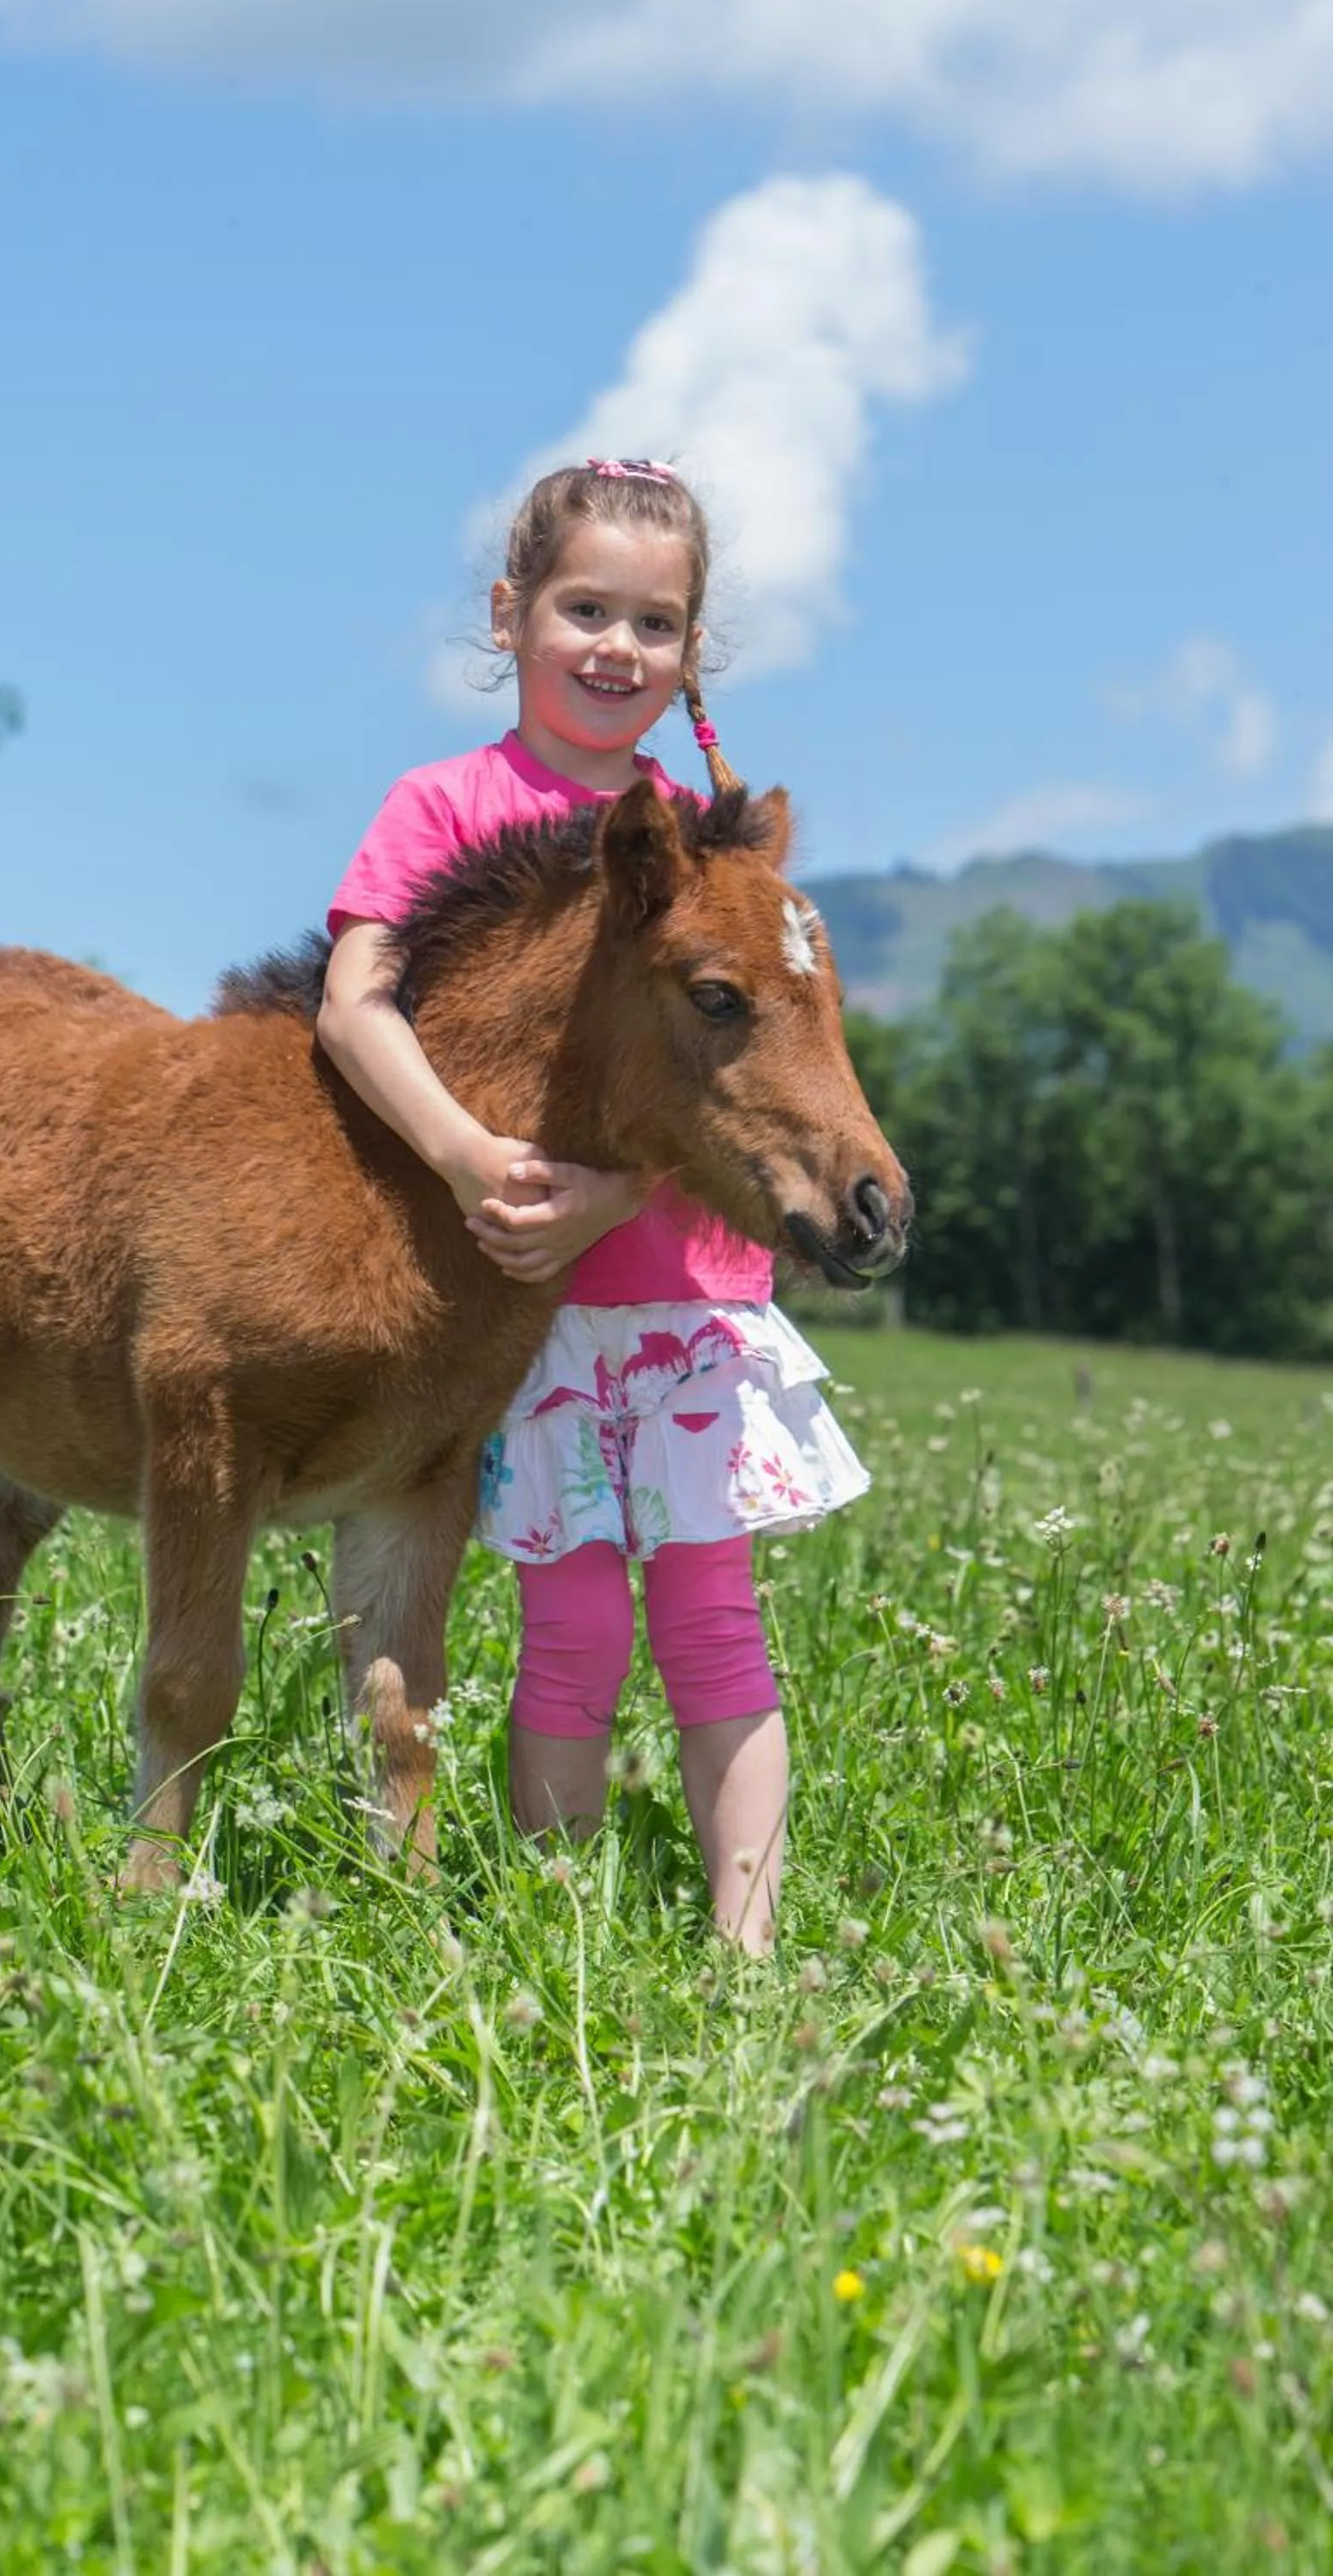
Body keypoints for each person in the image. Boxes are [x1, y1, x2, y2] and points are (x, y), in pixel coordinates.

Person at [316, 458, 868, 1953]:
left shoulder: (712, 843)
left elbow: (749, 1063)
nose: (618, 647)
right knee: (567, 1639)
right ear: (512, 614)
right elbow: (355, 1007)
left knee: (714, 1633)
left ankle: (743, 1948)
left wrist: (616, 1185)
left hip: (688, 1300)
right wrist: (459, 1155)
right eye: (585, 609)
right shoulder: (446, 806)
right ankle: (564, 1934)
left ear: (693, 653)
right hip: (524, 1315)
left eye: (657, 621)